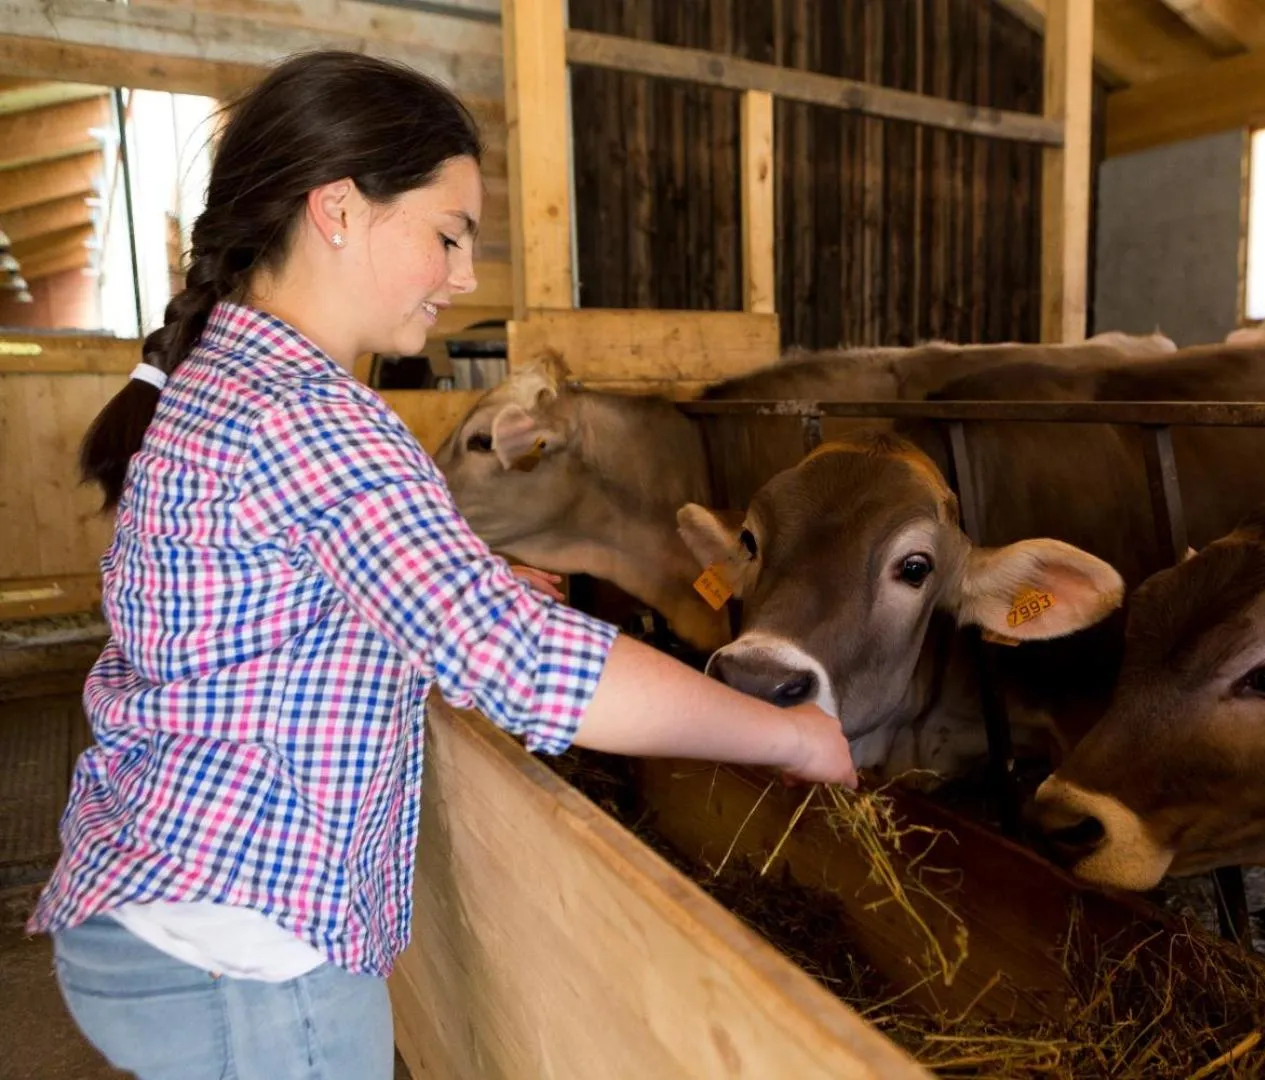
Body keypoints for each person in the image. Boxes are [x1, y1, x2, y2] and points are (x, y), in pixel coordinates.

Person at [29, 50, 855, 1080]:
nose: (464, 279)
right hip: (252, 959)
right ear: (338, 209)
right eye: (449, 235)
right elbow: (522, 665)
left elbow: (273, 594)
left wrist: (451, 583)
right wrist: (781, 736)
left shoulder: (223, 379)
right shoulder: (316, 415)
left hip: (158, 899)